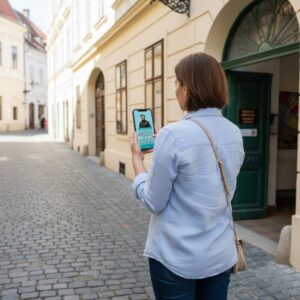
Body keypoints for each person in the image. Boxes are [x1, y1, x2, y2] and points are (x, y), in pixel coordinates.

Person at [129, 53, 245, 300]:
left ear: (187, 88)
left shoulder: (172, 135)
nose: (175, 89)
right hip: (219, 254)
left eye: (176, 82)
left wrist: (138, 160)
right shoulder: (234, 132)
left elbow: (153, 201)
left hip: (176, 258)